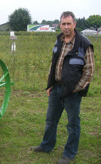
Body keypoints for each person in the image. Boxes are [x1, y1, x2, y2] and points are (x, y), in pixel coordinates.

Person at [31, 11, 95, 164]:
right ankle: (46, 146)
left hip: (72, 92)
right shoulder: (58, 40)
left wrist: (76, 88)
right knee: (50, 120)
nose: (66, 27)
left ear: (74, 24)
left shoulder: (84, 44)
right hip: (56, 88)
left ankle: (69, 153)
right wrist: (50, 84)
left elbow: (89, 70)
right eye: (63, 24)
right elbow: (54, 63)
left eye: (69, 23)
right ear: (60, 24)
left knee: (72, 123)